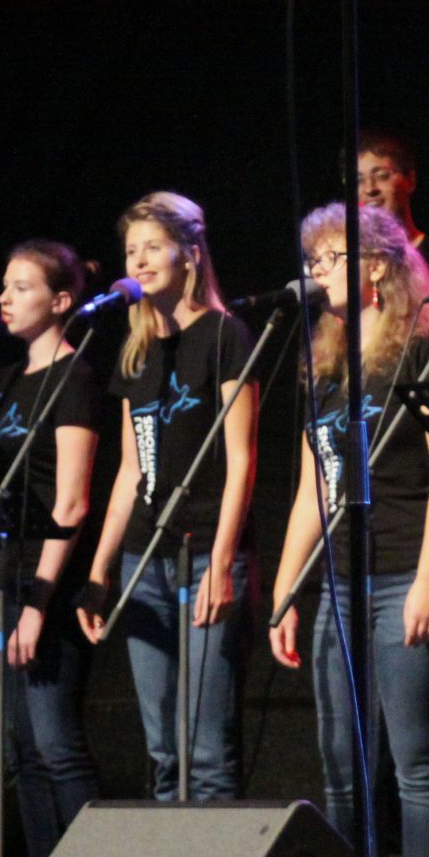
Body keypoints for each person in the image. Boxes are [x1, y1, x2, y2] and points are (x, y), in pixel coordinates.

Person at [268, 202, 429, 857]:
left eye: (330, 258)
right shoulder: (326, 361)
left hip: (403, 571)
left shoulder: (426, 349)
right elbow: (312, 487)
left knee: (418, 761)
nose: (316, 273)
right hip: (340, 583)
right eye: (314, 260)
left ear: (378, 264)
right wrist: (287, 591)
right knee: (344, 765)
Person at [81, 192, 259, 801]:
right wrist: (100, 570)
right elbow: (131, 469)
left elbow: (242, 460)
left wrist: (225, 561)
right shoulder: (135, 353)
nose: (138, 261)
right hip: (143, 559)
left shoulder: (225, 335)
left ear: (190, 253)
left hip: (206, 551)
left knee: (205, 748)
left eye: (153, 247)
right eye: (131, 250)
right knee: (161, 750)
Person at [0, 239, 102, 857]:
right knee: (19, 753)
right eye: (3, 285)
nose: (4, 298)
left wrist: (40, 602)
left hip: (47, 587)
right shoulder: (3, 383)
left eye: (21, 286)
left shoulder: (76, 378)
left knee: (56, 746)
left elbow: (71, 501)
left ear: (61, 299)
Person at [356, 130, 427, 253]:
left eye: (382, 176)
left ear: (410, 180)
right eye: (359, 180)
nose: (369, 189)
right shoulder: (347, 258)